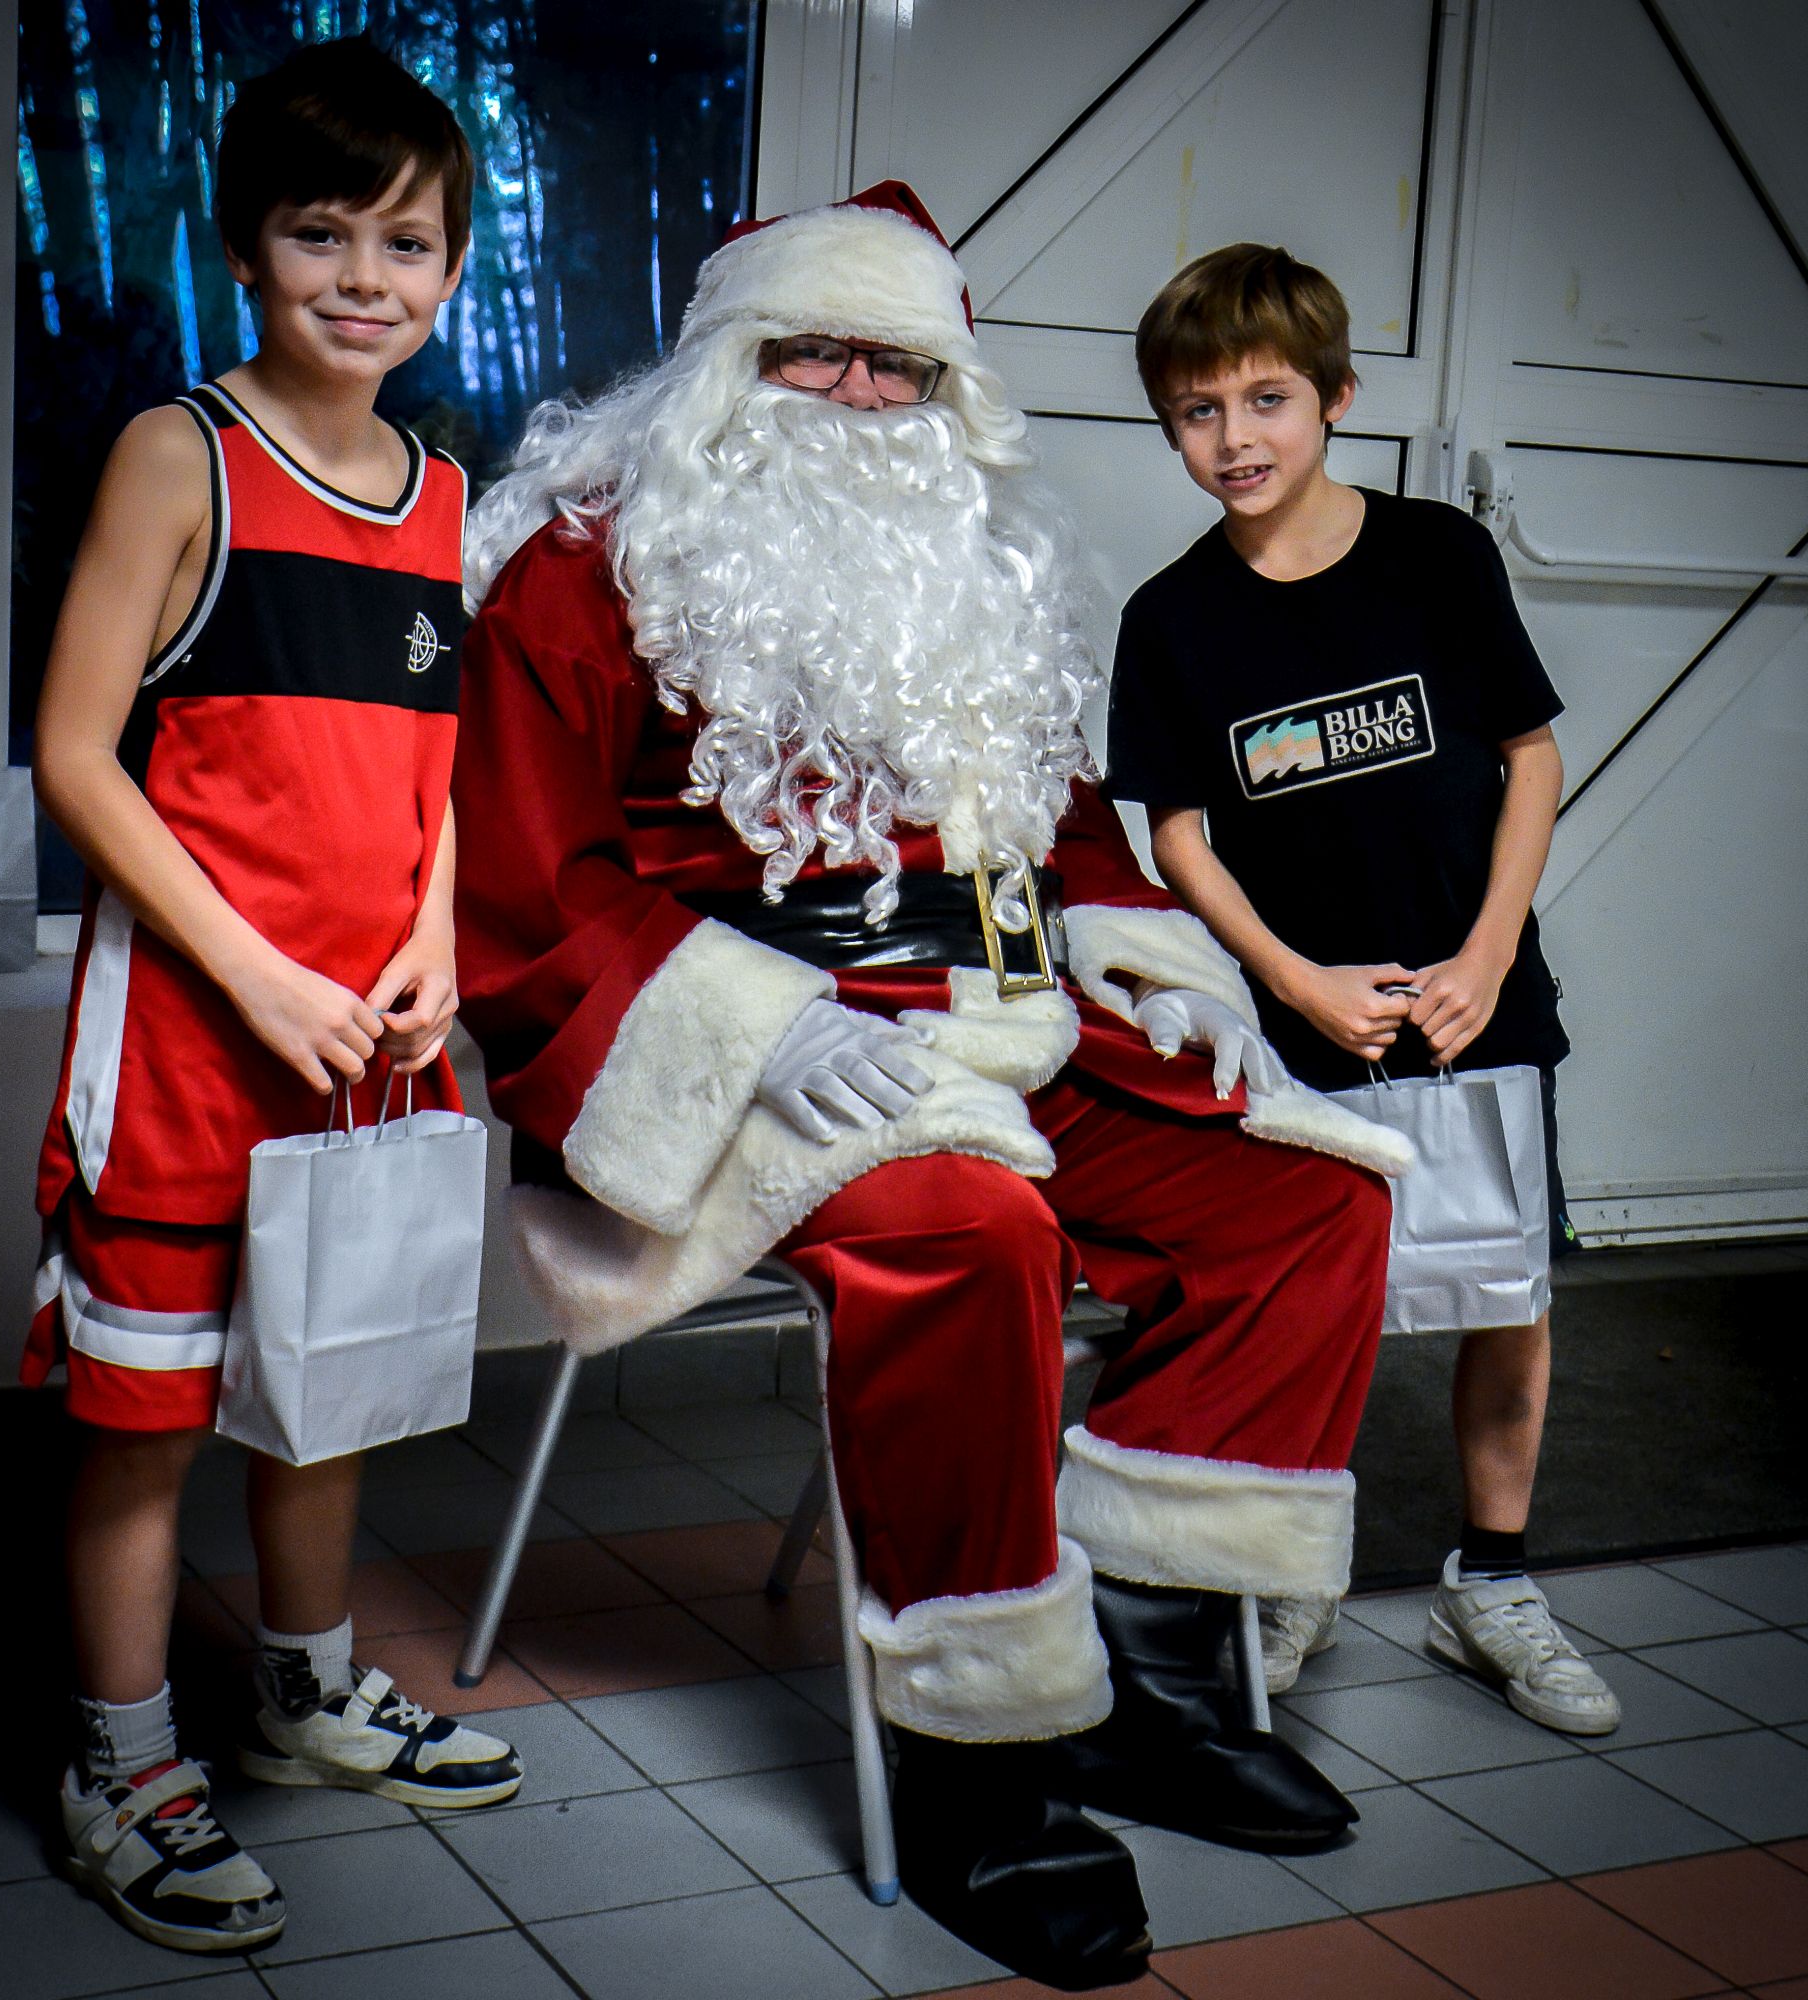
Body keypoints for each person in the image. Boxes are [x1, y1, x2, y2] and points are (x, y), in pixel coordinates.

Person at [455, 182, 1409, 1991]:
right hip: (758, 1049)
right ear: (727, 360)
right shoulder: (592, 565)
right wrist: (758, 1022)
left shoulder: (970, 561)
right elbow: (520, 884)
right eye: (811, 352)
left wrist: (1165, 970)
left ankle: (1152, 1678)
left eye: (896, 365)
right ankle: (981, 1759)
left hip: (999, 1023)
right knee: (974, 1237)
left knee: (1307, 1201)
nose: (856, 395)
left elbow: (1065, 830)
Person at [23, 39, 520, 1956]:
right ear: (247, 246)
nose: (365, 278)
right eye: (323, 234)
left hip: (360, 1051)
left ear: (452, 268)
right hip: (186, 1044)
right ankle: (123, 1762)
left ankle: (303, 1695)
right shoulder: (185, 456)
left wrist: (437, 940)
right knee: (145, 1423)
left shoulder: (446, 493)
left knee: (330, 1385)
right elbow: (76, 757)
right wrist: (254, 970)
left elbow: (438, 770)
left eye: (408, 242)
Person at [1106, 242, 1620, 1737]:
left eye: (1266, 399)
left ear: (1335, 397)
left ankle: (1493, 1584)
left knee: (1507, 1295)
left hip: (1475, 998)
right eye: (1198, 411)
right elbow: (1179, 837)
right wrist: (1294, 983)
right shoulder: (1171, 617)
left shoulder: (1438, 557)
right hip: (1302, 1020)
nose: (1236, 439)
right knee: (1309, 1305)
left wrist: (1487, 956)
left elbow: (1532, 757)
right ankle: (1297, 1574)